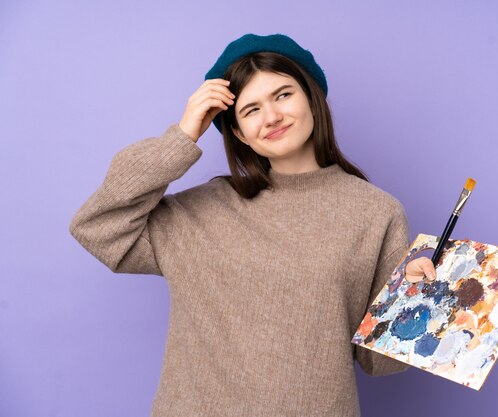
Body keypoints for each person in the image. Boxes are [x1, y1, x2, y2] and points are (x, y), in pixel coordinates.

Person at [69, 33, 436, 417]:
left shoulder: (376, 212)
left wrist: (413, 298)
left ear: (312, 98)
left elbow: (381, 363)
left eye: (283, 95)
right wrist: (181, 137)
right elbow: (98, 226)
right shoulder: (197, 213)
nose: (272, 117)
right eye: (251, 110)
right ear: (239, 133)